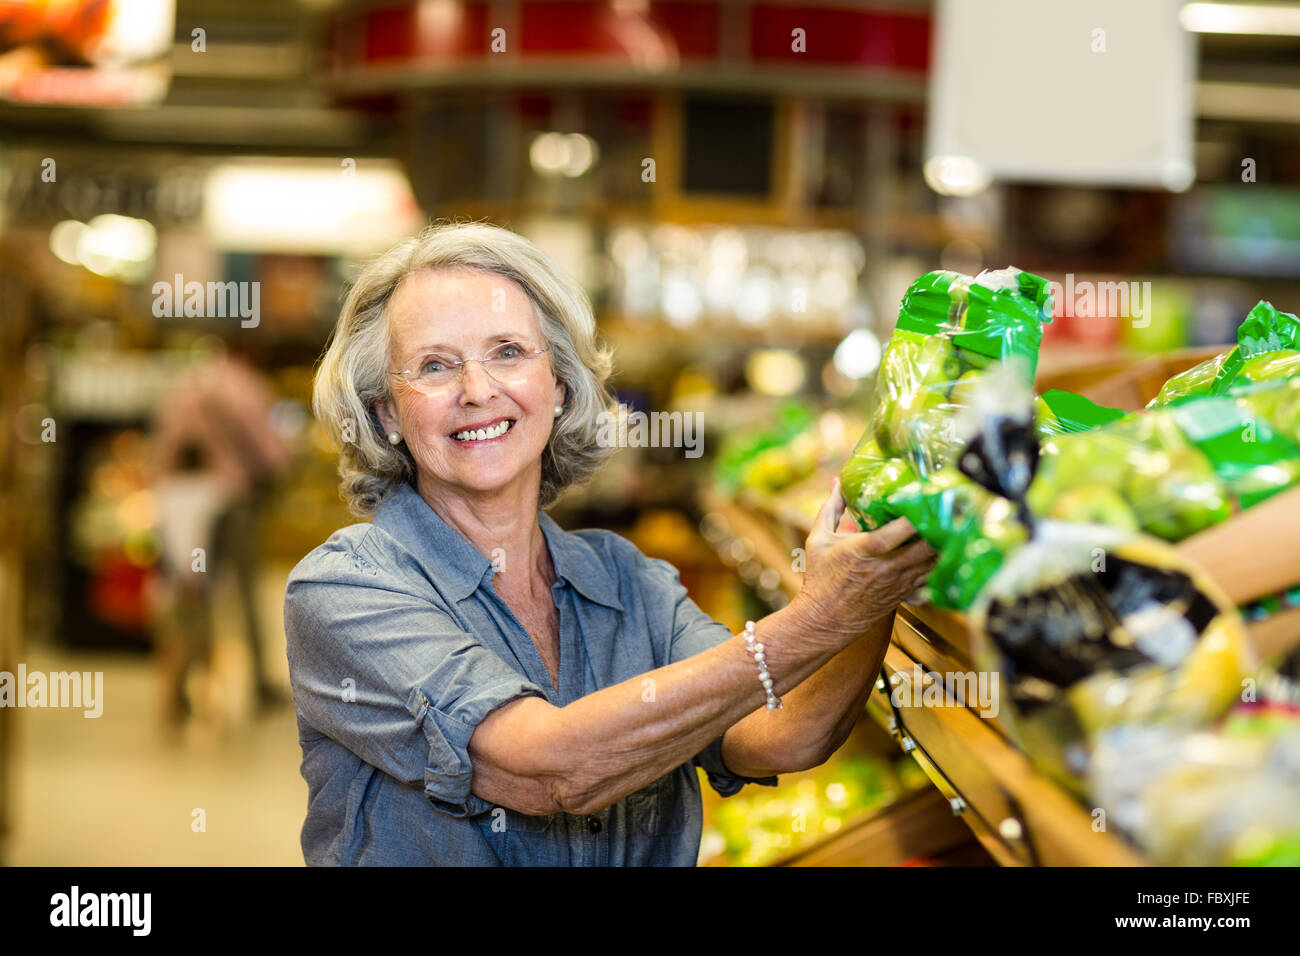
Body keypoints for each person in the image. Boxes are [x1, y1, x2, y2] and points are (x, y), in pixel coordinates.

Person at [285, 220, 936, 866]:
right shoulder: (345, 590)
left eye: (509, 351)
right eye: (434, 365)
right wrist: (823, 615)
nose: (478, 390)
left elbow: (785, 732)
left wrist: (880, 556)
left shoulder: (627, 581)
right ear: (386, 412)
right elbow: (546, 773)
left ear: (559, 385)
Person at [151, 345, 294, 722]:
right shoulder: (247, 386)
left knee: (188, 589)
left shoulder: (181, 385)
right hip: (230, 500)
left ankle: (179, 686)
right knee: (243, 590)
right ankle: (260, 683)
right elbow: (272, 451)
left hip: (180, 501)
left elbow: (161, 445)